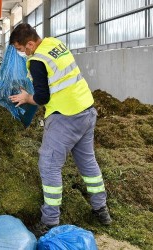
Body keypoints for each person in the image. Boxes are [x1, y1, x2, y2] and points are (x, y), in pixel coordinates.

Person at [8, 23, 112, 237]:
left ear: (29, 44)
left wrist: (27, 97)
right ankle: (101, 210)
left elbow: (43, 97)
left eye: (21, 49)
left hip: (66, 116)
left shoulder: (37, 60)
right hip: (86, 110)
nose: (21, 53)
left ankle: (50, 222)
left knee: (49, 164)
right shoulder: (54, 43)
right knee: (88, 162)